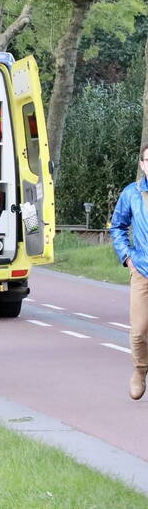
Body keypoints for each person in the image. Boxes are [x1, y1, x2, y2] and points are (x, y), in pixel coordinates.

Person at [108, 142, 148, 400]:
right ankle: (140, 370)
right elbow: (117, 227)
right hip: (143, 269)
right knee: (140, 330)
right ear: (143, 164)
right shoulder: (131, 193)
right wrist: (128, 258)